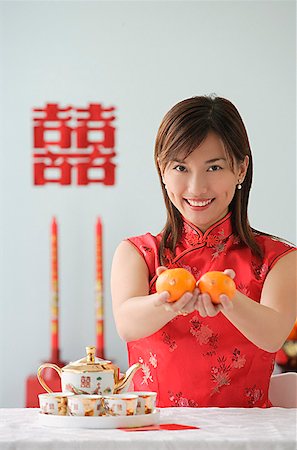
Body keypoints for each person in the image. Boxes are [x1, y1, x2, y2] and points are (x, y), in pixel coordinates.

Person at [111, 95, 296, 408]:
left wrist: (229, 299)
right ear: (162, 170)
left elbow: (273, 335)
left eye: (214, 167)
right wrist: (165, 301)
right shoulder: (137, 253)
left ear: (240, 169)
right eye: (181, 167)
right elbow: (126, 326)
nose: (196, 187)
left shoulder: (279, 258)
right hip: (154, 431)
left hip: (246, 437)